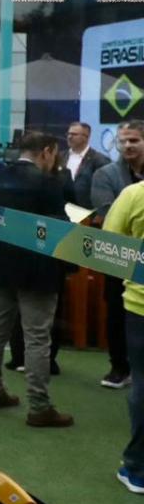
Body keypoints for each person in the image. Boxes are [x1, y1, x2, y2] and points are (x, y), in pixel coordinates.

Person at [0, 132, 72, 426]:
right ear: (47, 151)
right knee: (37, 339)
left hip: (1, 266)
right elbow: (58, 230)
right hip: (38, 272)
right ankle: (39, 406)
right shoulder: (49, 184)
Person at [91, 120, 144, 390]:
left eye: (134, 140)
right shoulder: (105, 174)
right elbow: (106, 214)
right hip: (118, 259)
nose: (127, 145)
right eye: (122, 141)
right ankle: (119, 367)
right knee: (116, 313)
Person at [103, 181, 144, 495]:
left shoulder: (134, 194)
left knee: (142, 386)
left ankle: (138, 468)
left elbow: (108, 243)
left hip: (140, 306)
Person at [61, 121, 110, 209]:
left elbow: (103, 189)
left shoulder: (100, 160)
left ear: (86, 137)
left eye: (74, 134)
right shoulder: (60, 156)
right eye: (68, 134)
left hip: (87, 210)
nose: (69, 137)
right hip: (62, 208)